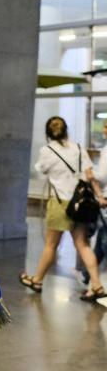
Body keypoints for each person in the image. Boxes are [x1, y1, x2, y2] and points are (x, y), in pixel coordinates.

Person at [21, 116, 107, 301]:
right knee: (83, 245)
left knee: (51, 244)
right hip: (80, 203)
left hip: (60, 203)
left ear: (47, 133)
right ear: (66, 130)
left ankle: (37, 281)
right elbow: (90, 175)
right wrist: (99, 196)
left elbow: (40, 169)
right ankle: (97, 285)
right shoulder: (78, 148)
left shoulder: (47, 150)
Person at [79, 120, 107, 287]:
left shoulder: (106, 151)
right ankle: (88, 273)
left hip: (104, 199)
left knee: (104, 239)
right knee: (102, 238)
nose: (104, 130)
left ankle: (90, 275)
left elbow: (102, 175)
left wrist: (90, 174)